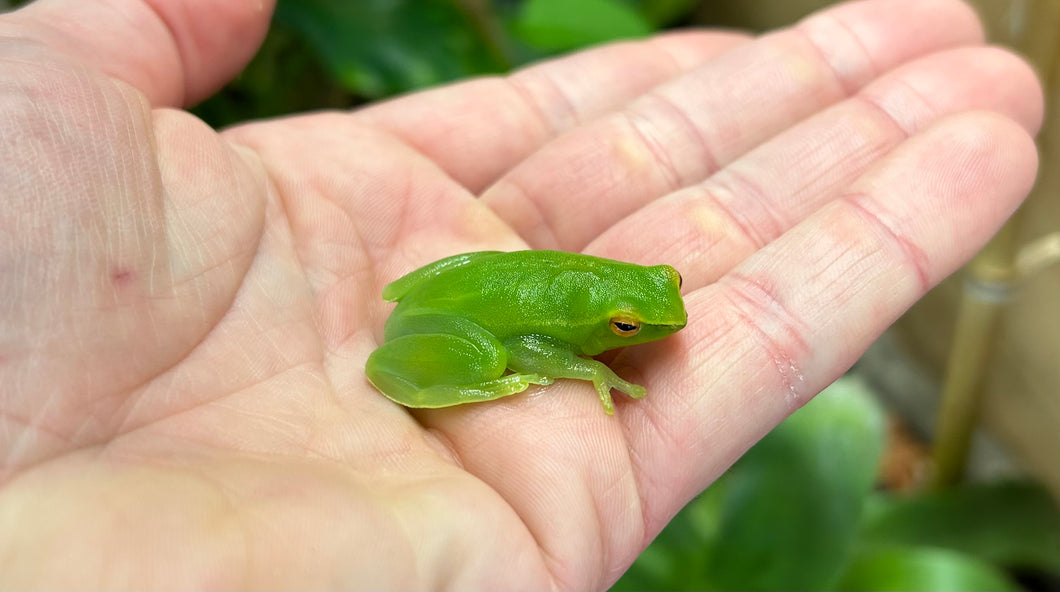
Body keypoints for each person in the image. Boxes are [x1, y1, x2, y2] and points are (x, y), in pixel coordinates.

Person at [0, 0, 1043, 588]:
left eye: (643, 306)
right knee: (499, 356)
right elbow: (540, 341)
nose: (652, 325)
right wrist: (571, 360)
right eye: (634, 324)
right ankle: (466, 378)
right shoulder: (571, 325)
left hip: (467, 277)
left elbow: (604, 301)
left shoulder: (614, 287)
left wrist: (607, 336)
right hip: (448, 325)